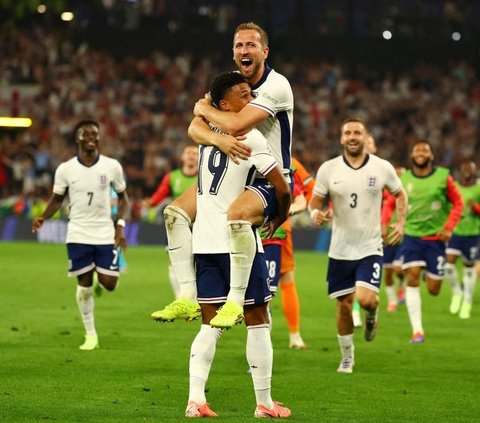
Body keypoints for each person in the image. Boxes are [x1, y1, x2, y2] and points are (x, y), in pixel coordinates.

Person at [152, 22, 294, 328]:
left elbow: (236, 125)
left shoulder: (276, 86)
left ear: (264, 52)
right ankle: (187, 295)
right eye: (239, 45)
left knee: (238, 215)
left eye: (251, 45)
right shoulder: (229, 86)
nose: (245, 50)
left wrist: (206, 108)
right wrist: (219, 138)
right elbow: (194, 128)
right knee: (174, 214)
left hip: (268, 178)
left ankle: (235, 300)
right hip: (233, 173)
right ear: (233, 53)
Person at [185, 71, 291, 418]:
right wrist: (279, 217)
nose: (252, 101)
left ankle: (195, 400)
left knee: (210, 324)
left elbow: (195, 126)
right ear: (226, 105)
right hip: (238, 241)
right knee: (258, 318)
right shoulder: (253, 138)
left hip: (204, 241)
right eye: (244, 95)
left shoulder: (205, 136)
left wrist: (204, 110)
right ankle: (264, 403)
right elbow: (282, 187)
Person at [308, 117, 407, 373]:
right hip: (340, 249)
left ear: (365, 138)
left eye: (357, 133)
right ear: (342, 138)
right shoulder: (328, 169)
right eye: (348, 133)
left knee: (365, 300)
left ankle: (372, 316)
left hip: (370, 247)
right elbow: (315, 202)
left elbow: (400, 194)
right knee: (342, 306)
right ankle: (347, 358)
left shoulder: (381, 167)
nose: (352, 137)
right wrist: (314, 214)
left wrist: (400, 223)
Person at [32, 120, 130, 350]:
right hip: (77, 232)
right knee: (83, 286)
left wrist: (120, 225)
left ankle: (100, 276)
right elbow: (57, 199)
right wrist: (43, 217)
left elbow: (124, 197)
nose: (91, 137)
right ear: (77, 138)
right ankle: (90, 334)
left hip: (104, 232)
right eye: (85, 133)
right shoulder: (65, 169)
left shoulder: (111, 166)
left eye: (95, 134)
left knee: (110, 284)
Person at [397, 139, 463, 343]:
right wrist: (388, 222)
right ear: (411, 155)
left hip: (436, 240)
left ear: (431, 155)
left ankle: (429, 272)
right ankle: (417, 330)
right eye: (417, 150)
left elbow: (458, 202)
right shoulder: (403, 178)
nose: (421, 153)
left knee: (434, 290)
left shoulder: (444, 177)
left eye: (425, 150)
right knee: (412, 276)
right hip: (412, 237)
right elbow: (393, 201)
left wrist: (449, 227)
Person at [262, 157, 314, 349]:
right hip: (252, 231)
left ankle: (293, 336)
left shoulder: (289, 162)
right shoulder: (248, 154)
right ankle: (293, 336)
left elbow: (309, 190)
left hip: (277, 233)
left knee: (279, 282)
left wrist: (286, 211)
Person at [144, 144, 198, 298]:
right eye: (188, 152)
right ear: (182, 157)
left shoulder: (204, 175)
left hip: (199, 226)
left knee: (199, 263)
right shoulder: (172, 176)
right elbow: (159, 195)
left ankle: (196, 297)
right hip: (179, 226)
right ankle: (180, 297)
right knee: (175, 263)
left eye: (195, 153)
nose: (191, 155)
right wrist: (150, 203)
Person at [444, 160, 480, 319]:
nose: (467, 171)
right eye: (464, 168)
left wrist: (476, 208)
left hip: (472, 234)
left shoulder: (478, 188)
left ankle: (467, 302)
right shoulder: (454, 187)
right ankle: (457, 292)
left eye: (470, 169)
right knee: (448, 265)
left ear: (474, 172)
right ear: (460, 171)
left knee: (469, 268)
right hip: (455, 232)